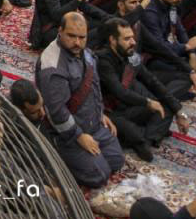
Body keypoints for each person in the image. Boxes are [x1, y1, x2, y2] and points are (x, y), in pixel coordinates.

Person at [32, 11, 126, 188]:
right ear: (60, 31)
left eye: (82, 37)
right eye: (71, 36)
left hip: (92, 124)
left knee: (116, 160)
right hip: (66, 134)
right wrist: (79, 136)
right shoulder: (53, 65)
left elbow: (94, 85)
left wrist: (100, 113)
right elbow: (57, 112)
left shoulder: (84, 51)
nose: (77, 42)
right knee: (100, 175)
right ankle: (55, 154)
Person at [96, 15, 183, 162]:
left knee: (166, 108)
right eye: (127, 39)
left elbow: (151, 80)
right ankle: (146, 136)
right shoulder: (103, 60)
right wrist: (147, 102)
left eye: (132, 37)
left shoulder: (130, 54)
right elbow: (120, 92)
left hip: (128, 107)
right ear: (112, 40)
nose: (133, 42)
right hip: (110, 113)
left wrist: (178, 110)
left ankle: (144, 139)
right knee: (130, 128)